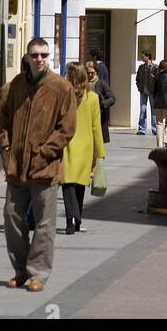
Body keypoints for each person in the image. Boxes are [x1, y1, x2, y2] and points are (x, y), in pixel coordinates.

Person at [0, 37, 77, 291]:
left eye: (43, 55)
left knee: (44, 223)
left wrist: (44, 152)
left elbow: (67, 128)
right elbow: (1, 119)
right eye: (34, 55)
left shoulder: (61, 88)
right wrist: (6, 146)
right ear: (27, 57)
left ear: (48, 57)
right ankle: (20, 270)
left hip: (45, 167)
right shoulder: (16, 86)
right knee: (11, 217)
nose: (39, 59)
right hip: (17, 167)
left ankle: (38, 272)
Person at [61, 62, 105, 234]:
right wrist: (100, 152)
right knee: (80, 185)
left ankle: (70, 220)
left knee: (67, 185)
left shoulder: (64, 96)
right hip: (86, 147)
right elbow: (96, 127)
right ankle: (77, 219)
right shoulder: (92, 98)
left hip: (67, 145)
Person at [85, 59, 115, 146]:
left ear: (96, 71)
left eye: (92, 72)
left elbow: (112, 98)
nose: (90, 75)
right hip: (86, 117)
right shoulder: (83, 84)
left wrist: (101, 104)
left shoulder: (101, 83)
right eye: (88, 72)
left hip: (99, 118)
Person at [135, 52, 157, 136]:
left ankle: (155, 129)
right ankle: (142, 129)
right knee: (143, 110)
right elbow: (137, 79)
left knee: (153, 110)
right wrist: (138, 87)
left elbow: (157, 79)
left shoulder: (155, 67)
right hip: (143, 91)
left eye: (143, 57)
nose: (142, 58)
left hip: (152, 91)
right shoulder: (141, 67)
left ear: (148, 57)